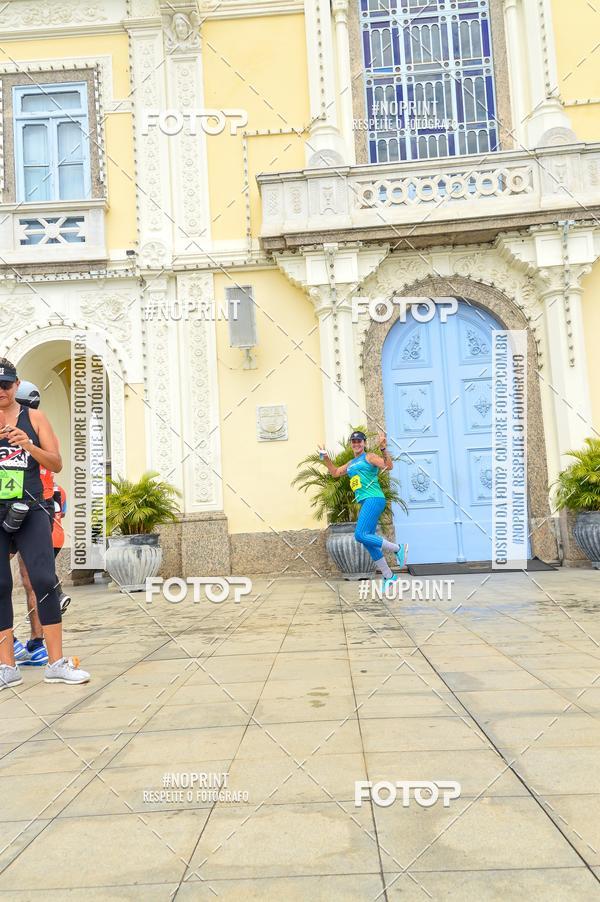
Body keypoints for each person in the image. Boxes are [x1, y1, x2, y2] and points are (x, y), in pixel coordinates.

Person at [0, 358, 89, 689]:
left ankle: (55, 662)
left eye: (6, 385)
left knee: (43, 579)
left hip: (32, 506)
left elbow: (56, 462)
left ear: (16, 384)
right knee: (0, 586)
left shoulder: (34, 418)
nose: (1, 392)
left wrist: (27, 444)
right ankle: (7, 666)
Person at [321, 430, 408, 587]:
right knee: (368, 541)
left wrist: (383, 448)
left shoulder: (369, 457)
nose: (356, 444)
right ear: (351, 444)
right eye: (354, 442)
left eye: (359, 441)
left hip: (374, 498)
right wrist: (326, 458)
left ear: (364, 443)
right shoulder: (350, 464)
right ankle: (389, 577)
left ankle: (398, 548)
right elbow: (334, 473)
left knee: (360, 535)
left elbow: (389, 466)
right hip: (366, 501)